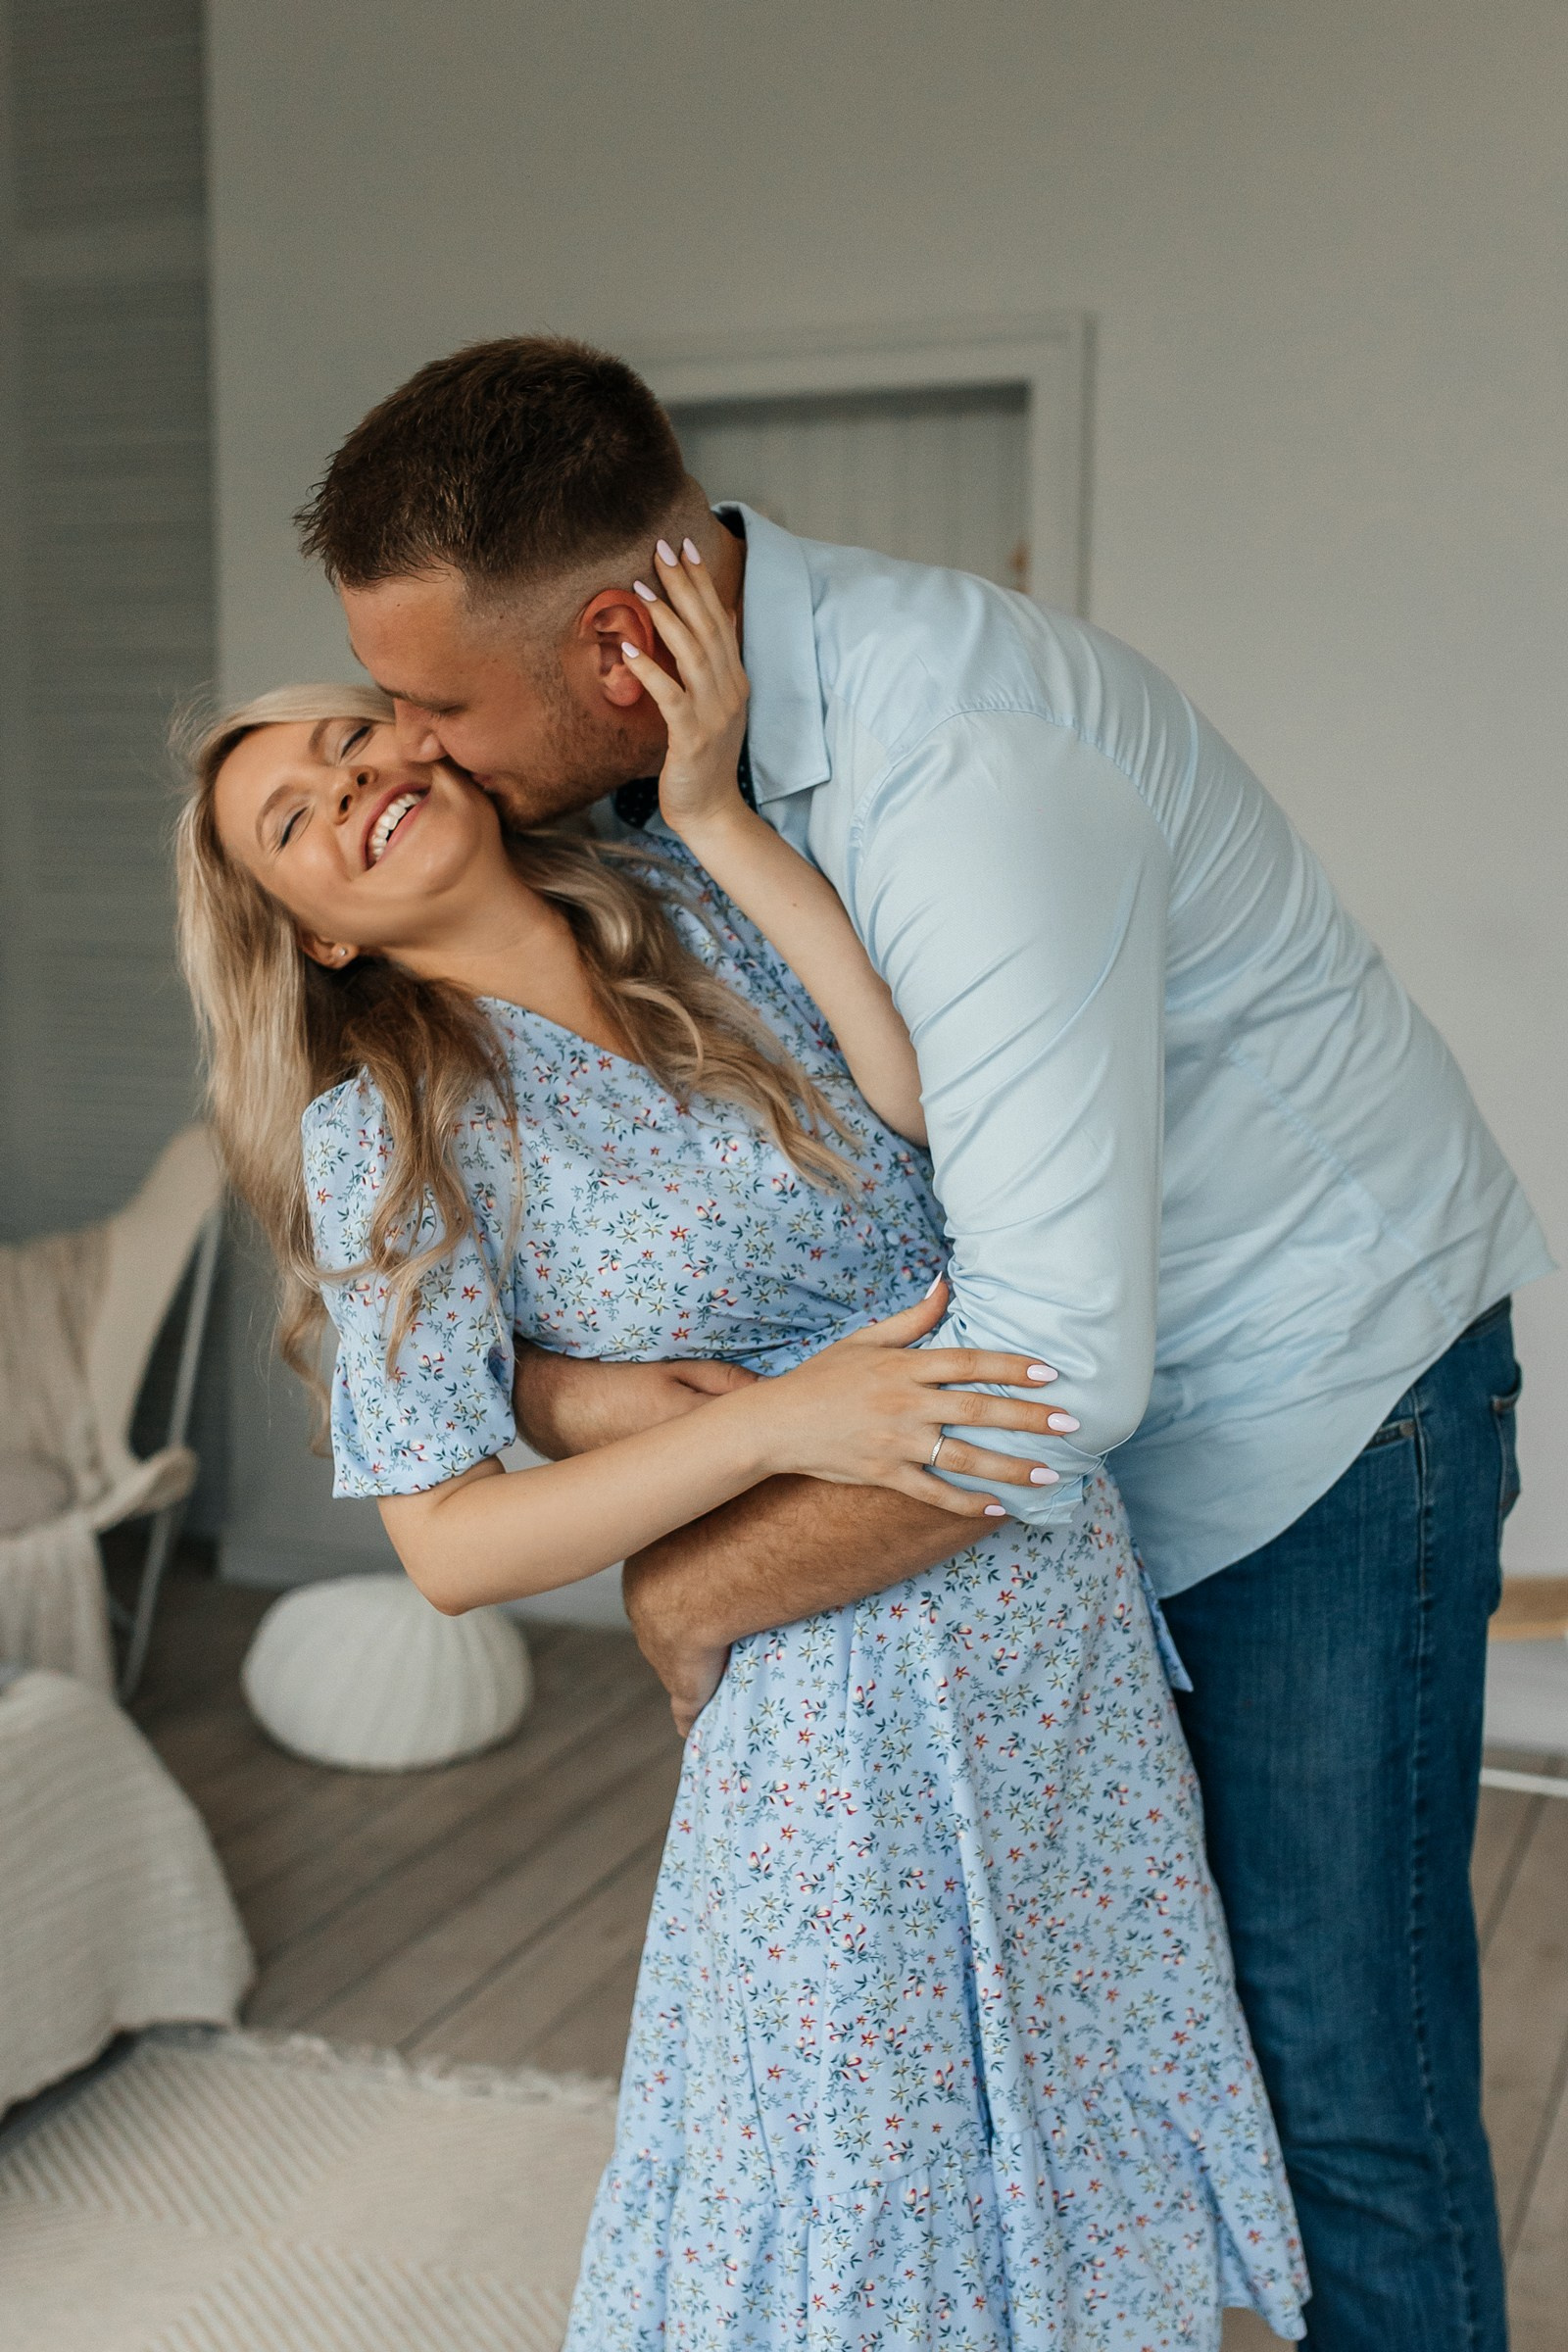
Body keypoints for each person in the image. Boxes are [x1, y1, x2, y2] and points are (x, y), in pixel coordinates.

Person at [292, 334, 1552, 2351]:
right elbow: (638, 1219)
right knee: (1076, 2069)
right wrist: (569, 1389)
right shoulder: (644, 819)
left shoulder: (958, 760)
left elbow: (1051, 1373)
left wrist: (693, 1587)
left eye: (434, 705)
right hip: (1043, 1492)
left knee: (1338, 2082)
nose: (408, 754)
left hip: (1309, 1402)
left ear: (613, 644)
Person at [173, 563, 1307, 2346]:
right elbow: (450, 1545)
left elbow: (936, 1101)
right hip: (826, 1679)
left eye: (347, 742)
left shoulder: (692, 896)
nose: (353, 786)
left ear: (431, 745)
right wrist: (777, 1421)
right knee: (859, 2178)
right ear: (315, 932)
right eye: (297, 822)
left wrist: (709, 808)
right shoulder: (394, 1129)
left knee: (1081, 2092)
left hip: (1049, 1608)